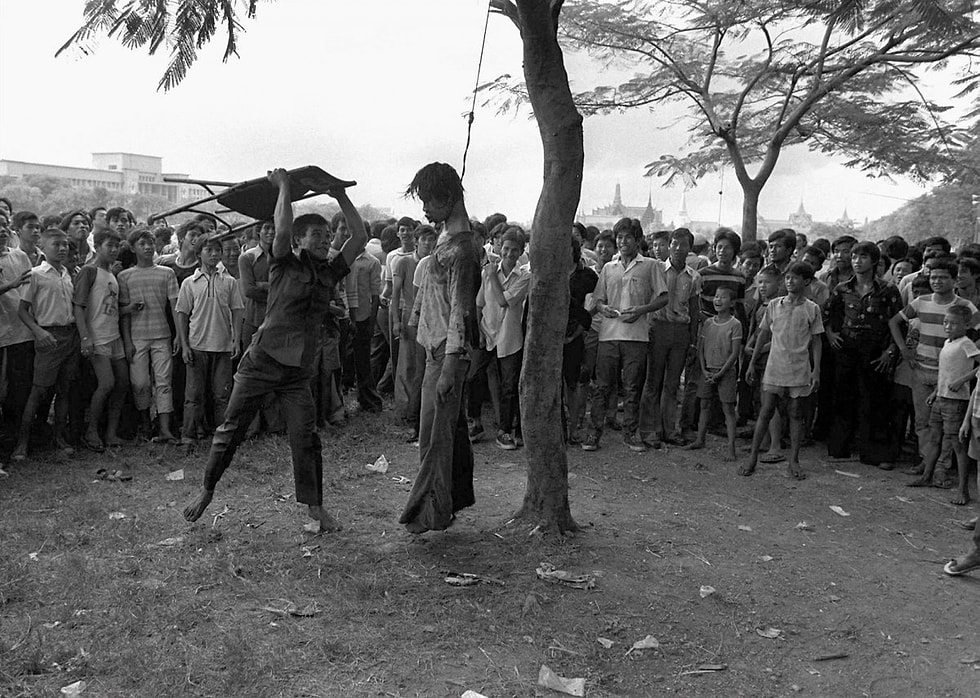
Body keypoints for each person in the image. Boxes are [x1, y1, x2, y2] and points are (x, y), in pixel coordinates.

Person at [183, 168, 366, 532]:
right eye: (316, 235)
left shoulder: (329, 272)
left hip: (297, 372)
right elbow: (282, 229)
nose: (323, 240)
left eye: (326, 236)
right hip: (262, 362)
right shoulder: (283, 262)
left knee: (306, 438)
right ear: (299, 240)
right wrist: (283, 187)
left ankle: (315, 510)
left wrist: (339, 195)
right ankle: (206, 489)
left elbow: (359, 236)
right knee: (231, 428)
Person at [399, 162, 480, 534]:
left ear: (448, 198)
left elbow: (462, 312)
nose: (425, 209)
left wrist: (450, 367)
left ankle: (425, 514)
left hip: (448, 355)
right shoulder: (448, 241)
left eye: (430, 201)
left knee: (433, 436)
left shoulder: (463, 250)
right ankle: (450, 503)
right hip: (437, 350)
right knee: (448, 432)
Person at [583, 217, 668, 453]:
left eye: (628, 237)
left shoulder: (650, 265)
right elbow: (598, 300)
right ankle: (594, 433)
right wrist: (603, 309)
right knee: (602, 386)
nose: (623, 242)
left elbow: (663, 297)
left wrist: (641, 310)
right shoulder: (609, 268)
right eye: (619, 238)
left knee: (632, 388)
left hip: (637, 336)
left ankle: (630, 434)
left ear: (637, 240)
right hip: (608, 334)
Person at [889, 256, 978, 476]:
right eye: (934, 277)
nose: (937, 281)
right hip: (920, 370)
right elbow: (894, 322)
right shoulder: (921, 301)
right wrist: (904, 349)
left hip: (948, 378)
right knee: (922, 421)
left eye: (943, 277)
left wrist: (963, 354)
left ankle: (942, 467)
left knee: (948, 425)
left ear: (954, 280)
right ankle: (925, 461)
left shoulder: (965, 307)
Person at [742, 262, 824, 478]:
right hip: (774, 366)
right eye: (787, 278)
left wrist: (816, 371)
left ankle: (794, 460)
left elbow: (816, 341)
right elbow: (763, 335)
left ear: (806, 281)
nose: (790, 281)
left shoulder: (811, 309)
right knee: (766, 411)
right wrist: (752, 362)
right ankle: (752, 458)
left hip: (799, 367)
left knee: (796, 414)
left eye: (795, 278)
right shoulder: (774, 305)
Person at [826, 242, 902, 465]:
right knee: (842, 398)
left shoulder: (888, 290)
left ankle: (872, 453)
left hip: (875, 350)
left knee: (873, 401)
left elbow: (898, 323)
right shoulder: (842, 288)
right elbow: (828, 313)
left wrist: (891, 350)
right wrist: (831, 334)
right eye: (854, 257)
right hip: (847, 348)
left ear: (875, 261)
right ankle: (839, 449)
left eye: (863, 257)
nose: (857, 261)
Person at [12, 228, 79, 461]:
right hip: (48, 336)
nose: (62, 249)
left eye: (65, 245)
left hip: (70, 335)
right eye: (56, 244)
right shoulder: (36, 274)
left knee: (64, 390)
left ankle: (59, 439)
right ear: (44, 245)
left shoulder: (69, 274)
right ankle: (22, 443)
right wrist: (38, 332)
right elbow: (22, 310)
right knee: (38, 391)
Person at [175, 234, 244, 443]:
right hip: (197, 345)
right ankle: (189, 434)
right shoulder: (190, 282)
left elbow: (238, 310)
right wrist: (185, 344)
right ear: (199, 255)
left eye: (217, 250)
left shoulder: (229, 282)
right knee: (193, 395)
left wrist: (236, 339)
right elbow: (182, 313)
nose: (214, 254)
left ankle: (221, 434)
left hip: (222, 345)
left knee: (222, 394)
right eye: (209, 250)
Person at [909, 304, 979, 503]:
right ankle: (927, 475)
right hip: (941, 398)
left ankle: (962, 489)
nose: (948, 326)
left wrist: (962, 380)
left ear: (966, 325)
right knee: (934, 439)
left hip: (956, 401)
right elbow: (946, 372)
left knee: (957, 444)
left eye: (954, 323)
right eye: (946, 322)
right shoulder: (948, 343)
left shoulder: (966, 343)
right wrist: (936, 392)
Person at [638, 227, 700, 447]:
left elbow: (694, 310)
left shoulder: (694, 277)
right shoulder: (657, 270)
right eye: (674, 243)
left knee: (672, 384)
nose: (677, 248)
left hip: (681, 331)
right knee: (652, 381)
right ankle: (649, 430)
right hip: (658, 327)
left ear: (689, 249)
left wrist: (693, 340)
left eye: (683, 244)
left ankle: (669, 430)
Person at [119, 227, 180, 443]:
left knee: (164, 382)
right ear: (133, 248)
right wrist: (127, 341)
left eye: (150, 243)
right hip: (136, 337)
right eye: (142, 244)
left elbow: (175, 306)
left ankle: (164, 428)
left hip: (162, 334)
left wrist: (179, 335)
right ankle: (144, 422)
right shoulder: (124, 276)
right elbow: (122, 312)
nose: (147, 247)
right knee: (140, 383)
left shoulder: (167, 273)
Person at [72, 229, 129, 452]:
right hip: (97, 337)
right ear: (97, 246)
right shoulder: (89, 271)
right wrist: (85, 337)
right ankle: (91, 431)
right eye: (109, 246)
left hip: (114, 335)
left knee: (123, 383)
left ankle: (111, 432)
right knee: (106, 384)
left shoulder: (111, 273)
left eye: (117, 246)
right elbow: (78, 306)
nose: (114, 251)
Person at [477, 226, 530, 450]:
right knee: (473, 377)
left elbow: (502, 300)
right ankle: (474, 422)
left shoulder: (525, 276)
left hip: (510, 337)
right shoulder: (488, 271)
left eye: (514, 250)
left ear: (521, 252)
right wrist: (479, 331)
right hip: (487, 331)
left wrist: (491, 276)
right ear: (500, 246)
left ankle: (505, 430)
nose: (509, 254)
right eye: (506, 248)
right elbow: (480, 302)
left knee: (509, 386)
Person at [687, 285, 741, 459]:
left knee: (728, 409)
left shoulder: (735, 324)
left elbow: (734, 353)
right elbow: (701, 348)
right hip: (708, 370)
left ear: (732, 303)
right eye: (716, 297)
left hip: (726, 372)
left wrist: (721, 372)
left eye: (723, 297)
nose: (718, 300)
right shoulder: (708, 323)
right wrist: (704, 369)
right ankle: (700, 439)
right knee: (704, 404)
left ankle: (731, 448)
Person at [341, 216, 384, 413]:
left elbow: (376, 294)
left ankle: (367, 398)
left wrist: (372, 321)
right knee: (341, 359)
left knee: (363, 360)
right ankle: (341, 398)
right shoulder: (340, 258)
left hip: (362, 316)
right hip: (341, 315)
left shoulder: (372, 262)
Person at [0, 212, 35, 435]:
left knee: (19, 387)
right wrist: (9, 285)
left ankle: (14, 436)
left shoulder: (19, 256)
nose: (2, 231)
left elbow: (30, 287)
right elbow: (16, 284)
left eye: (4, 226)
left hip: (21, 331)